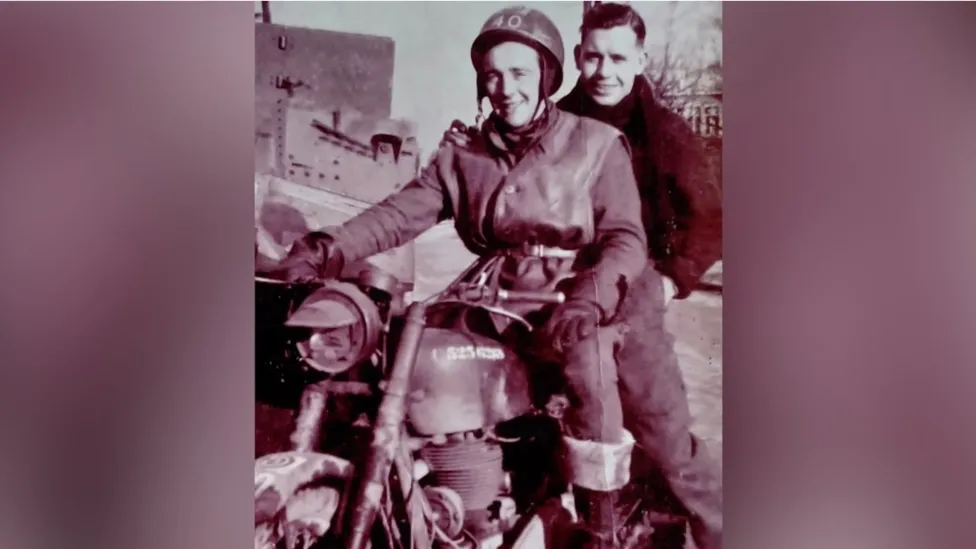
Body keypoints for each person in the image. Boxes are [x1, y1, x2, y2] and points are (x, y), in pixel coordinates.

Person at [273, 7, 648, 549]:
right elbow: (399, 214)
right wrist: (328, 247)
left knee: (588, 366)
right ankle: (421, 491)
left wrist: (589, 298)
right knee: (401, 352)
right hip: (489, 295)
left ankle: (601, 526)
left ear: (545, 76)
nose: (505, 88)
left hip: (570, 298)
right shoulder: (464, 153)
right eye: (493, 75)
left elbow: (625, 239)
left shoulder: (596, 144)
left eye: (519, 73)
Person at [558, 4, 724, 549]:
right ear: (578, 57)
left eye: (617, 58)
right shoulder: (556, 121)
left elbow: (712, 217)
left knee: (663, 431)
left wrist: (674, 277)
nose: (604, 70)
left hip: (634, 284)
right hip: (560, 281)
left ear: (640, 60)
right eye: (592, 57)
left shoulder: (668, 134)